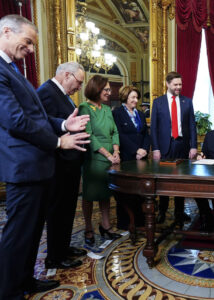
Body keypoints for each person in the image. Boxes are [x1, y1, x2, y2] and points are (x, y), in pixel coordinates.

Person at [0, 15, 90, 299]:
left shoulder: (12, 69)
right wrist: (58, 141)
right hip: (23, 167)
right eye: (27, 42)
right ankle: (9, 291)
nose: (30, 50)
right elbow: (16, 121)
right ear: (6, 32)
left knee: (31, 233)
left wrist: (64, 125)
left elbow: (36, 117)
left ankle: (25, 281)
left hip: (37, 167)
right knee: (17, 236)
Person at [37, 62, 87, 270]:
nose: (79, 88)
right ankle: (55, 257)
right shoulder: (47, 92)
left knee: (67, 210)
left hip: (69, 164)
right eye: (78, 82)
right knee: (58, 212)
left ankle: (64, 248)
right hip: (58, 164)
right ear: (67, 75)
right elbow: (44, 124)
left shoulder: (63, 94)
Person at [150, 71, 197, 228]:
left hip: (182, 145)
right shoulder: (158, 102)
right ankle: (162, 211)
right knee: (163, 182)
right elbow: (154, 128)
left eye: (180, 84)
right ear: (168, 84)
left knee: (180, 182)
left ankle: (179, 212)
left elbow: (192, 126)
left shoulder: (187, 102)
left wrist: (193, 146)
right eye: (176, 84)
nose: (179, 87)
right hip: (165, 146)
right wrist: (155, 148)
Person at [79, 75, 121, 245]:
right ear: (96, 89)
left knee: (106, 194)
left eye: (109, 89)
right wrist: (108, 155)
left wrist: (116, 151)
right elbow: (89, 135)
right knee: (89, 195)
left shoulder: (106, 109)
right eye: (106, 89)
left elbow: (115, 132)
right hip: (94, 158)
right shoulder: (84, 107)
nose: (109, 92)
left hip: (111, 158)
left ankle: (106, 225)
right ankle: (88, 228)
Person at [112, 85, 150, 243]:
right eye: (133, 97)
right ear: (125, 97)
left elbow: (145, 134)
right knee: (127, 190)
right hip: (128, 157)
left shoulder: (140, 114)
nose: (136, 100)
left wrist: (144, 149)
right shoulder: (117, 113)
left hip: (142, 158)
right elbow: (119, 135)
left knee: (140, 190)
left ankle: (140, 220)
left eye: (136, 97)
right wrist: (135, 150)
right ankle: (125, 221)